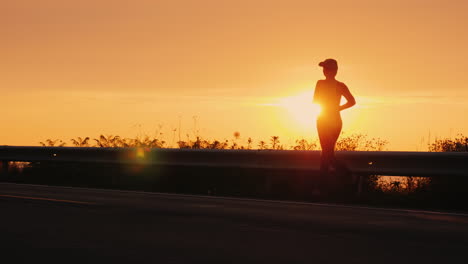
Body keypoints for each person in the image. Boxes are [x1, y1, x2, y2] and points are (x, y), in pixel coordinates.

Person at [313, 59, 356, 191]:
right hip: (329, 120)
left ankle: (345, 176)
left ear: (334, 70)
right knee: (326, 154)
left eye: (327, 68)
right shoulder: (336, 85)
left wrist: (336, 108)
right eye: (324, 69)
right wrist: (337, 108)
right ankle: (325, 187)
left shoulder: (324, 84)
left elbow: (352, 101)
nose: (325, 71)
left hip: (328, 120)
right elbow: (351, 102)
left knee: (327, 154)